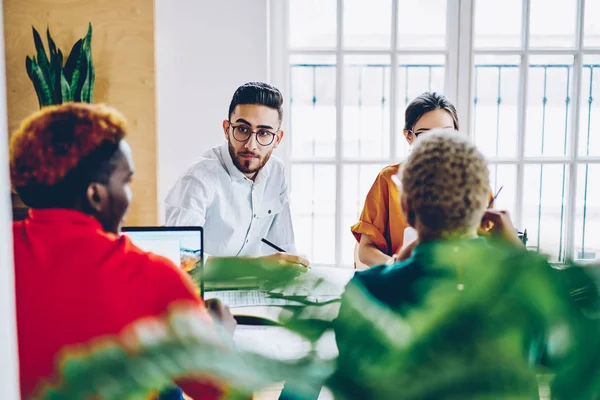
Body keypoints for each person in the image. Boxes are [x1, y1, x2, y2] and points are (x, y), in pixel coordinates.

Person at [10, 103, 235, 399]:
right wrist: (221, 338)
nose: (128, 195)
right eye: (125, 181)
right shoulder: (154, 276)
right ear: (95, 195)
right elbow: (224, 394)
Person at [165, 82, 308, 268]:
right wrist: (256, 267)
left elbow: (284, 245)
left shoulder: (276, 173)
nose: (251, 145)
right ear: (227, 129)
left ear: (277, 139)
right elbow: (180, 257)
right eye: (242, 129)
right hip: (203, 291)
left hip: (254, 289)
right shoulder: (198, 179)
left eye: (263, 133)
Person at [351, 92, 460, 268]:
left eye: (446, 134)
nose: (437, 145)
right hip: (403, 284)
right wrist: (397, 265)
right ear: (409, 136)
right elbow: (365, 251)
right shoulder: (389, 180)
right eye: (426, 136)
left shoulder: (473, 183)